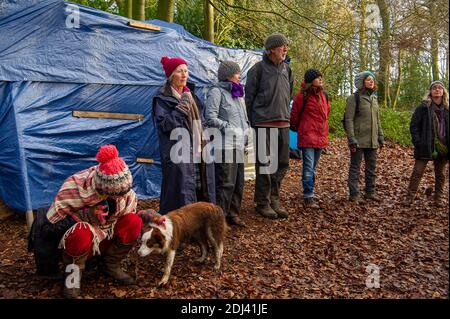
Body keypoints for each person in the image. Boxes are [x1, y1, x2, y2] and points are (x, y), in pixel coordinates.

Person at [29, 144, 142, 298]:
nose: (123, 196)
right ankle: (72, 277)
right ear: (103, 189)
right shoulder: (77, 185)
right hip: (79, 241)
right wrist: (86, 214)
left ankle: (110, 265)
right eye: (117, 194)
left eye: (125, 191)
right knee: (81, 231)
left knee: (133, 221)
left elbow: (127, 214)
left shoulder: (124, 191)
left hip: (105, 235)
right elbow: (52, 222)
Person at [152, 56, 216, 214]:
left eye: (186, 71)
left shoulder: (192, 95)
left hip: (198, 150)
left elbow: (201, 120)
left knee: (200, 188)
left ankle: (199, 227)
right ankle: (180, 228)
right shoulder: (162, 99)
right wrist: (181, 108)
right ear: (171, 75)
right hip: (178, 153)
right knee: (181, 193)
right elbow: (165, 125)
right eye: (179, 71)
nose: (184, 75)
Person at [245, 33, 293, 219]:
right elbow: (248, 98)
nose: (285, 49)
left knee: (282, 164)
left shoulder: (287, 70)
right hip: (264, 123)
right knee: (265, 164)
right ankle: (262, 202)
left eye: (286, 46)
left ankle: (274, 199)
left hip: (283, 123)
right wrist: (254, 121)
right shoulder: (257, 70)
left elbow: (288, 95)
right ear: (272, 49)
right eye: (282, 46)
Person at [205, 61, 250, 227]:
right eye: (237, 72)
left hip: (238, 145)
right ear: (228, 74)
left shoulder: (238, 94)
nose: (239, 75)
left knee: (238, 183)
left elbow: (242, 118)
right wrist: (229, 128)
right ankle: (219, 220)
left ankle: (233, 214)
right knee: (226, 183)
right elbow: (209, 118)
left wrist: (246, 132)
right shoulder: (216, 92)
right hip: (224, 146)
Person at [404, 81, 449, 207]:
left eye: (440, 88)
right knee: (417, 172)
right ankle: (409, 197)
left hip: (443, 147)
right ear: (430, 92)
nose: (437, 90)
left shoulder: (447, 108)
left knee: (440, 174)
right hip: (425, 146)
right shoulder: (423, 107)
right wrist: (418, 142)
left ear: (443, 92)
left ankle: (438, 199)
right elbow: (414, 126)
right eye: (434, 88)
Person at [290, 69, 331, 208]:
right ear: (310, 80)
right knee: (308, 166)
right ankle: (308, 195)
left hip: (320, 136)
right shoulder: (302, 96)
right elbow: (294, 115)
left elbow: (326, 113)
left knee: (313, 167)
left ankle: (310, 190)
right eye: (317, 77)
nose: (320, 79)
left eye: (321, 77)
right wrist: (299, 129)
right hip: (307, 136)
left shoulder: (324, 95)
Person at [344, 71, 384, 203]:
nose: (371, 81)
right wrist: (351, 139)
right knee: (355, 167)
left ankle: (370, 192)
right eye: (368, 79)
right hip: (358, 139)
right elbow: (348, 120)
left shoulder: (374, 98)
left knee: (371, 168)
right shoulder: (353, 98)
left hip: (372, 140)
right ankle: (354, 194)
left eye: (372, 79)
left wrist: (380, 136)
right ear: (361, 82)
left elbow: (377, 119)